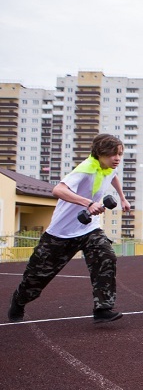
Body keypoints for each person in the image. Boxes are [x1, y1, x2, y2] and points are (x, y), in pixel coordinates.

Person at [7, 133, 130, 324]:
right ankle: (19, 300)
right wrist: (88, 203)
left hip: (89, 229)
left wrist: (122, 197)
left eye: (120, 154)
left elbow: (113, 176)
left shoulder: (109, 167)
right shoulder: (86, 169)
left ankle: (103, 308)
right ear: (99, 153)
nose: (117, 158)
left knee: (106, 256)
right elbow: (58, 190)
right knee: (36, 278)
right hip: (60, 234)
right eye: (113, 154)